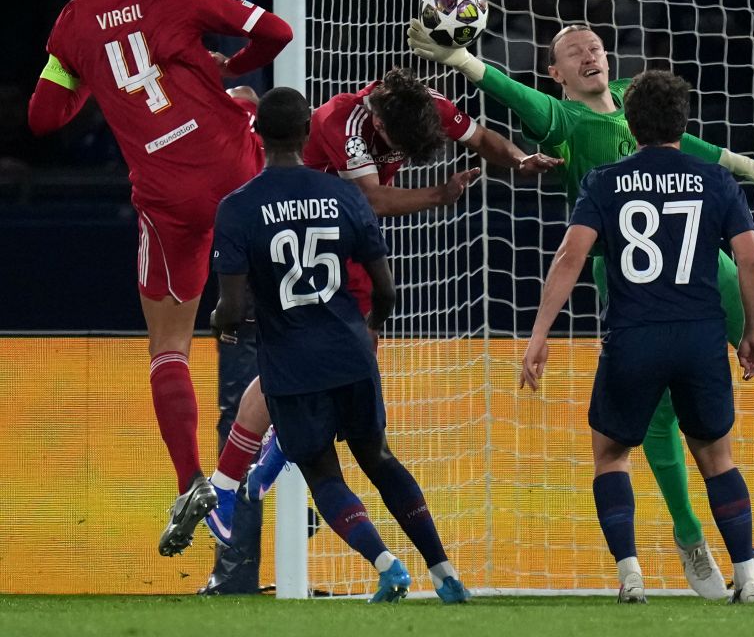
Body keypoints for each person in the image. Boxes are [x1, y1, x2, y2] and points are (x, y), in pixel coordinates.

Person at [408, 20, 754, 599]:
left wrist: (753, 169)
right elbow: (509, 92)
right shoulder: (559, 118)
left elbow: (684, 141)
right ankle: (691, 537)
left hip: (697, 263)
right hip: (626, 278)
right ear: (556, 74)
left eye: (594, 46)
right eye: (573, 53)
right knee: (662, 419)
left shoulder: (629, 98)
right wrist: (466, 63)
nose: (589, 55)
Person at [203, 67, 561, 551]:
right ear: (379, 120)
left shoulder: (422, 105)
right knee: (296, 363)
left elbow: (479, 137)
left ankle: (272, 454)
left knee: (348, 362)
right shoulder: (340, 121)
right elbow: (370, 199)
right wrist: (439, 195)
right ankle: (227, 486)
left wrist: (519, 160)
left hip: (343, 238)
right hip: (312, 242)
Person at [26, 0, 292, 557]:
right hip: (233, 171)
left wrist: (93, 77)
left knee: (169, 346)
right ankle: (291, 445)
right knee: (293, 312)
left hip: (168, 194)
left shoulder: (73, 23)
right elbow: (276, 33)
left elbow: (43, 118)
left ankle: (190, 481)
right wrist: (231, 71)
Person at [210, 86, 470, 604]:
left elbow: (233, 309)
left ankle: (387, 565)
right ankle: (445, 574)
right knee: (380, 459)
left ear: (257, 135)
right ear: (309, 133)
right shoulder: (348, 195)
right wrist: (369, 323)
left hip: (291, 361)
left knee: (323, 473)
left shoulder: (237, 207)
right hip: (351, 350)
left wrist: (222, 322)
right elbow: (387, 289)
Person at [521, 70, 754, 603]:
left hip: (633, 336)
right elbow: (750, 256)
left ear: (631, 125)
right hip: (701, 336)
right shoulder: (714, 179)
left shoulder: (604, 182)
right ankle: (748, 579)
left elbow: (570, 258)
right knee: (717, 458)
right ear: (683, 121)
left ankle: (631, 575)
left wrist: (539, 335)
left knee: (611, 454)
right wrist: (751, 331)